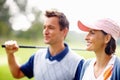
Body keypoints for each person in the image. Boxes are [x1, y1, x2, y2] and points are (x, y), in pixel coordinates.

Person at [4, 10, 84, 80]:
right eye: (44, 27)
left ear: (64, 31)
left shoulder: (77, 62)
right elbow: (17, 74)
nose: (45, 32)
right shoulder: (37, 56)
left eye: (51, 28)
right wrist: (10, 53)